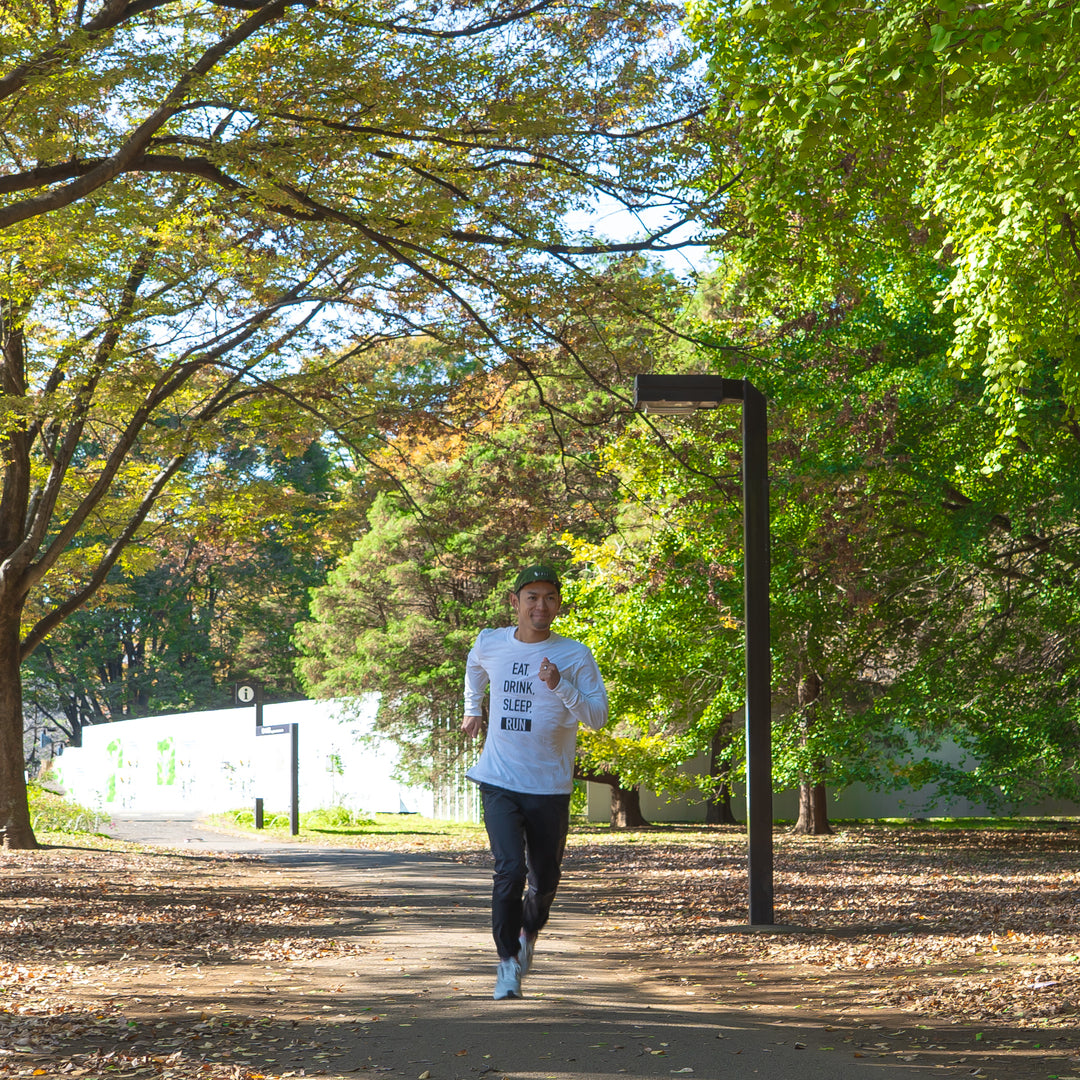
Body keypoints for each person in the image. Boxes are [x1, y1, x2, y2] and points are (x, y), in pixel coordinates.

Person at [461, 564, 608, 1000]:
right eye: (531, 597)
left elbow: (597, 718)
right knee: (508, 871)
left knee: (543, 881)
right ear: (516, 602)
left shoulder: (575, 655)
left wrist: (560, 685)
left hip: (549, 786)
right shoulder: (491, 642)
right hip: (499, 780)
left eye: (549, 598)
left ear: (558, 605)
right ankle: (506, 963)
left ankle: (528, 934)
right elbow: (474, 665)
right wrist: (474, 706)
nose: (540, 605)